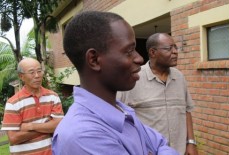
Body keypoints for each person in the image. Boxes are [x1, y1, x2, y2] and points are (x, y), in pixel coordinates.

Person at [52, 11, 179, 155]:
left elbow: (161, 143)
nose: (139, 58)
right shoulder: (82, 135)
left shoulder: (121, 110)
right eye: (129, 51)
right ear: (94, 60)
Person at [117, 33, 198, 155]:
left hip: (179, 151)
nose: (175, 52)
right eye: (169, 48)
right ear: (153, 52)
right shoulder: (133, 78)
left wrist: (191, 142)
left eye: (176, 47)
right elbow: (118, 118)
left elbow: (186, 110)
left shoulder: (179, 77)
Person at [1, 58, 64, 155]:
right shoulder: (13, 103)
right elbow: (13, 138)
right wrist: (47, 128)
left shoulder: (52, 96)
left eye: (39, 71)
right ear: (21, 76)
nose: (37, 76)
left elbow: (59, 125)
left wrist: (31, 126)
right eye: (32, 72)